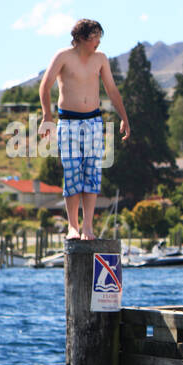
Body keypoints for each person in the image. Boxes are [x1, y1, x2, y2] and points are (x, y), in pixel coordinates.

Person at [38, 18, 130, 240]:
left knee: (92, 173)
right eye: (93, 37)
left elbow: (111, 89)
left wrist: (124, 118)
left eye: (100, 37)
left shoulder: (101, 59)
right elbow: (45, 85)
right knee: (72, 173)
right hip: (68, 121)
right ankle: (73, 226)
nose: (98, 41)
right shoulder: (63, 56)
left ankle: (88, 226)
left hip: (94, 121)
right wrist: (46, 116)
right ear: (80, 38)